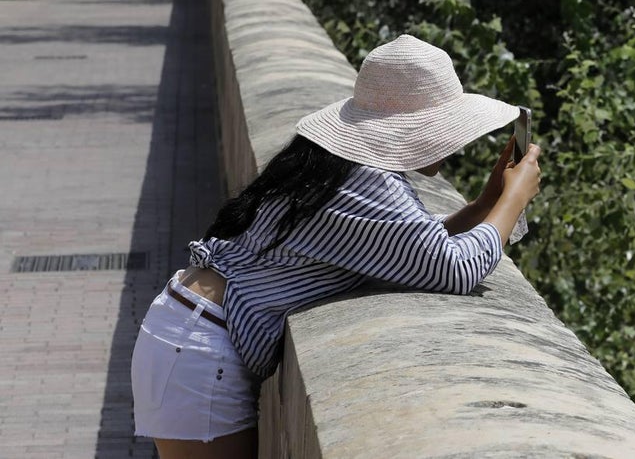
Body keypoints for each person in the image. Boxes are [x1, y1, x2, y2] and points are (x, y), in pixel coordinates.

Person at [130, 34, 542, 458]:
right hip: (199, 350)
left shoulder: (338, 161)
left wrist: (485, 204)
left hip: (186, 328)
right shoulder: (369, 180)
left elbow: (409, 246)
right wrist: (514, 199)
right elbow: (453, 269)